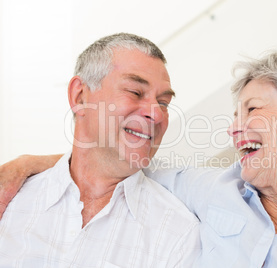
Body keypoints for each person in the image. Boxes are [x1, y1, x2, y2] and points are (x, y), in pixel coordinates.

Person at [1, 46, 277, 267]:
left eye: (253, 110)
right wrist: (28, 164)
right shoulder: (217, 189)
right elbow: (114, 159)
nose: (233, 129)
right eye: (235, 114)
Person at [0, 33, 201, 267]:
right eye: (135, 92)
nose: (156, 114)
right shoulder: (10, 201)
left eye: (164, 103)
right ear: (80, 96)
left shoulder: (178, 234)